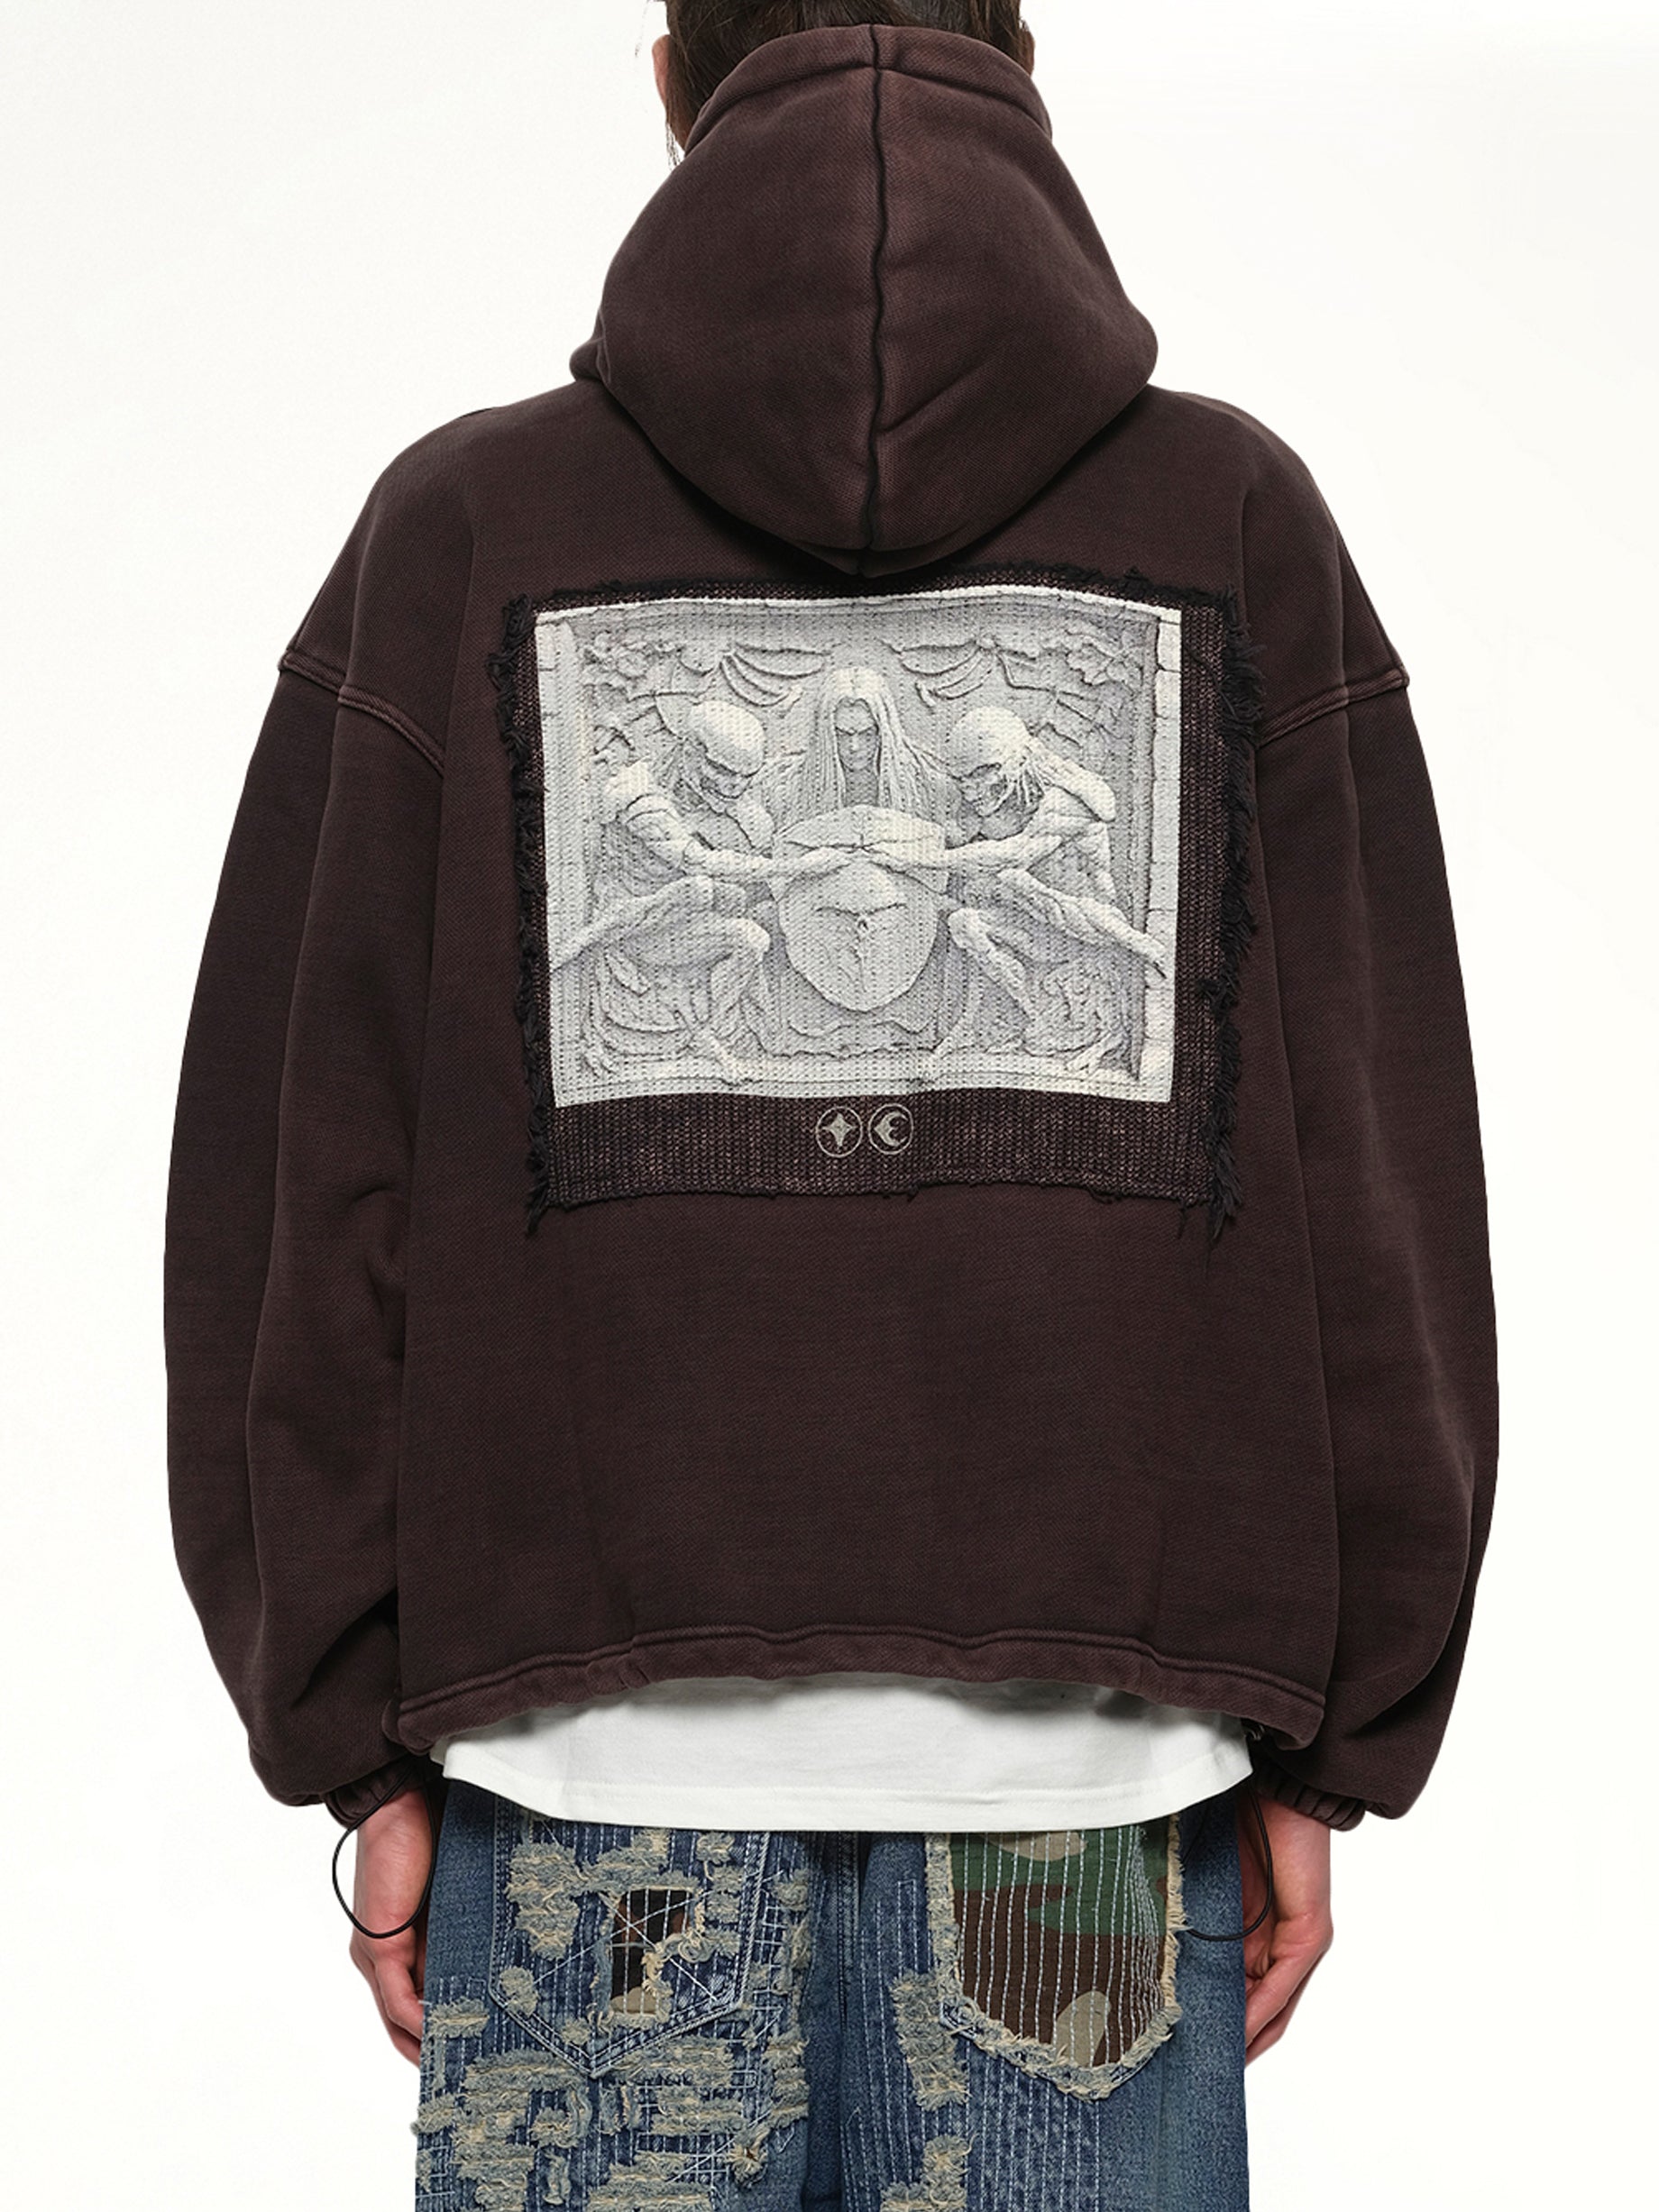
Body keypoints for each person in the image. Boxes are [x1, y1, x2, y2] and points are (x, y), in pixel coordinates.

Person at [162, 5, 1498, 2207]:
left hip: (581, 1813)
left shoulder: (463, 526)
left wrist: (344, 1730)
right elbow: (1374, 1177)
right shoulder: (1230, 516)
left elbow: (304, 1181)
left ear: (669, 81)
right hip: (1086, 1819)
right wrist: (1332, 1728)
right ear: (1022, 63)